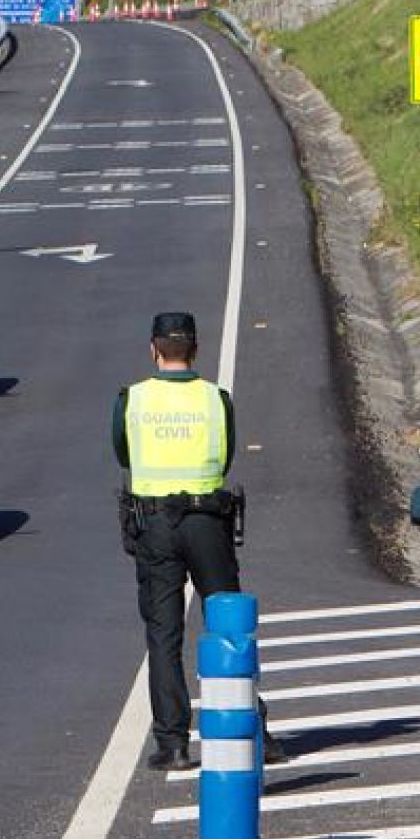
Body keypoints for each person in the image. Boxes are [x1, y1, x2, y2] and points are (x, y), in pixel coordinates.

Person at [113, 313, 286, 772]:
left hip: (154, 525)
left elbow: (122, 452)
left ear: (154, 349)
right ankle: (256, 732)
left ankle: (173, 743)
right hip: (208, 519)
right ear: (195, 349)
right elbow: (225, 456)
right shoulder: (215, 399)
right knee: (228, 626)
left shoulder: (132, 400)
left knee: (164, 634)